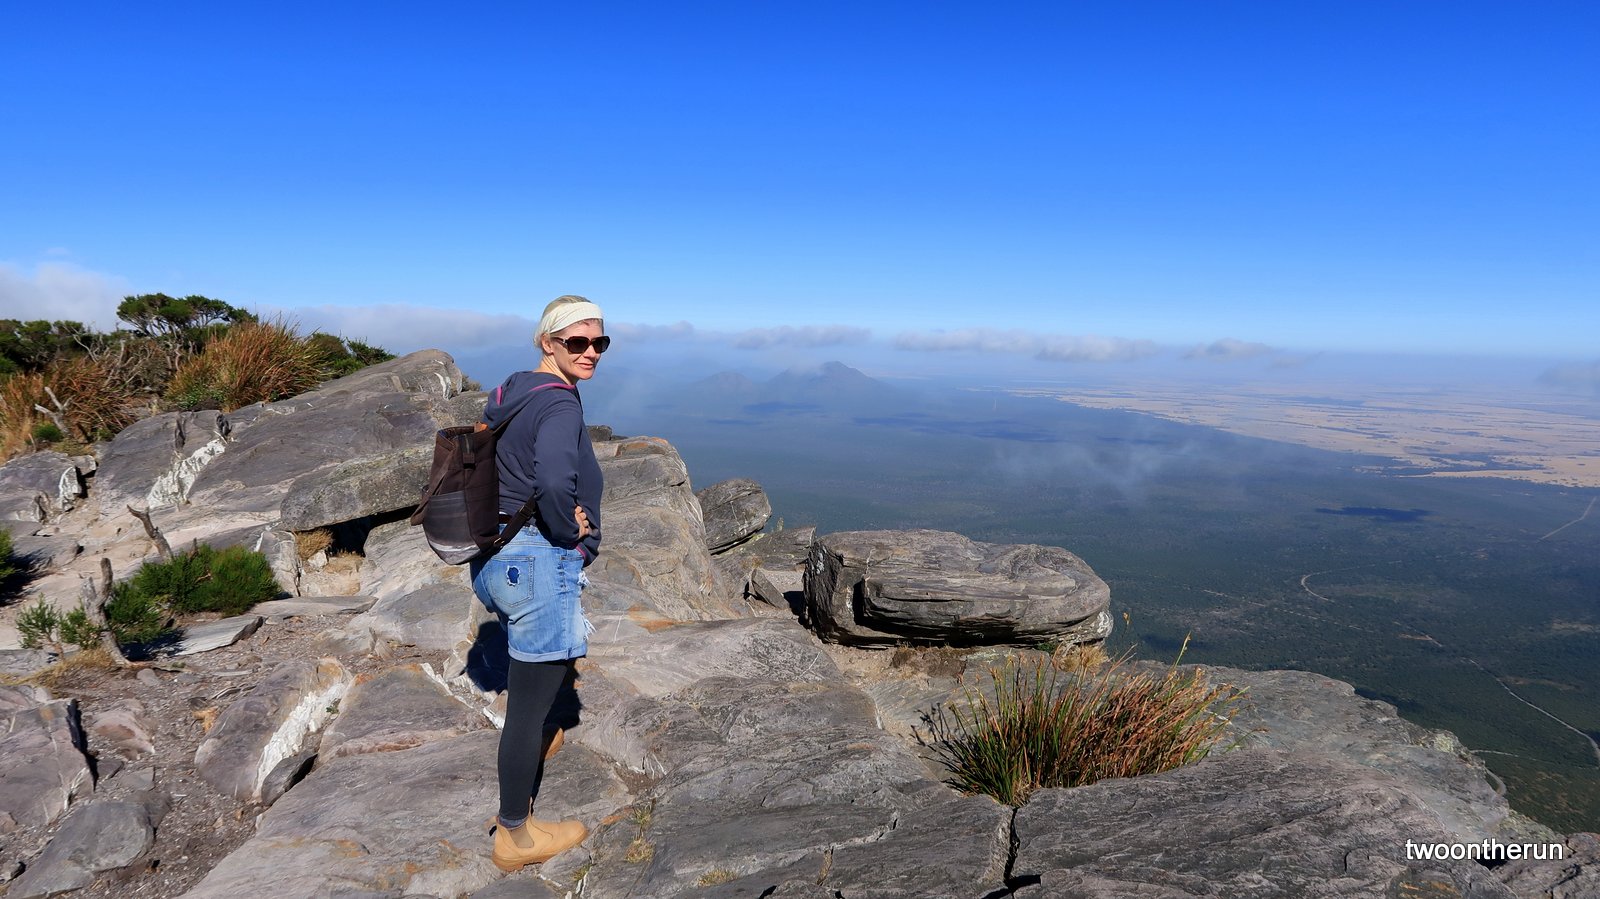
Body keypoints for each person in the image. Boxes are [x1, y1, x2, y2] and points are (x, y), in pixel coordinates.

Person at [470, 294, 608, 872]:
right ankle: (515, 834)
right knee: (528, 709)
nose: (591, 352)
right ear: (547, 343)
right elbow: (555, 480)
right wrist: (568, 533)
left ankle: (521, 768)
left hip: (495, 557)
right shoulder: (559, 407)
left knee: (534, 688)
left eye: (600, 342)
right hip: (535, 560)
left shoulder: (513, 391)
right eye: (576, 342)